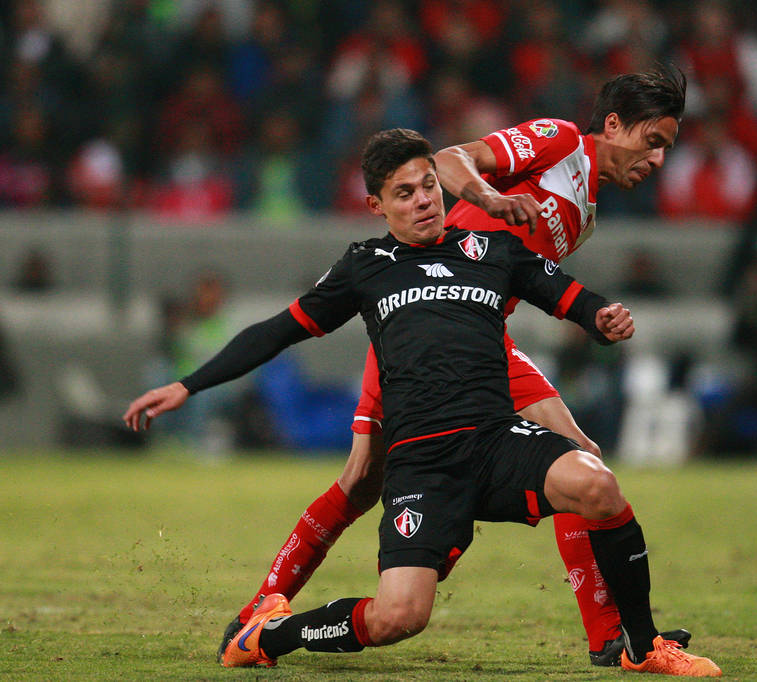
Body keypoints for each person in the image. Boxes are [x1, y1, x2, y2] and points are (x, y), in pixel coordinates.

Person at [123, 129, 721, 677]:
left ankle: (640, 646)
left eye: (429, 185)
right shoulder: (365, 266)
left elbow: (571, 297)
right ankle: (269, 633)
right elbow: (277, 331)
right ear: (377, 206)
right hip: (423, 464)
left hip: (495, 441)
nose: (424, 201)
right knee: (399, 617)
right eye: (404, 193)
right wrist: (189, 384)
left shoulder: (492, 251)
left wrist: (603, 317)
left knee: (596, 483)